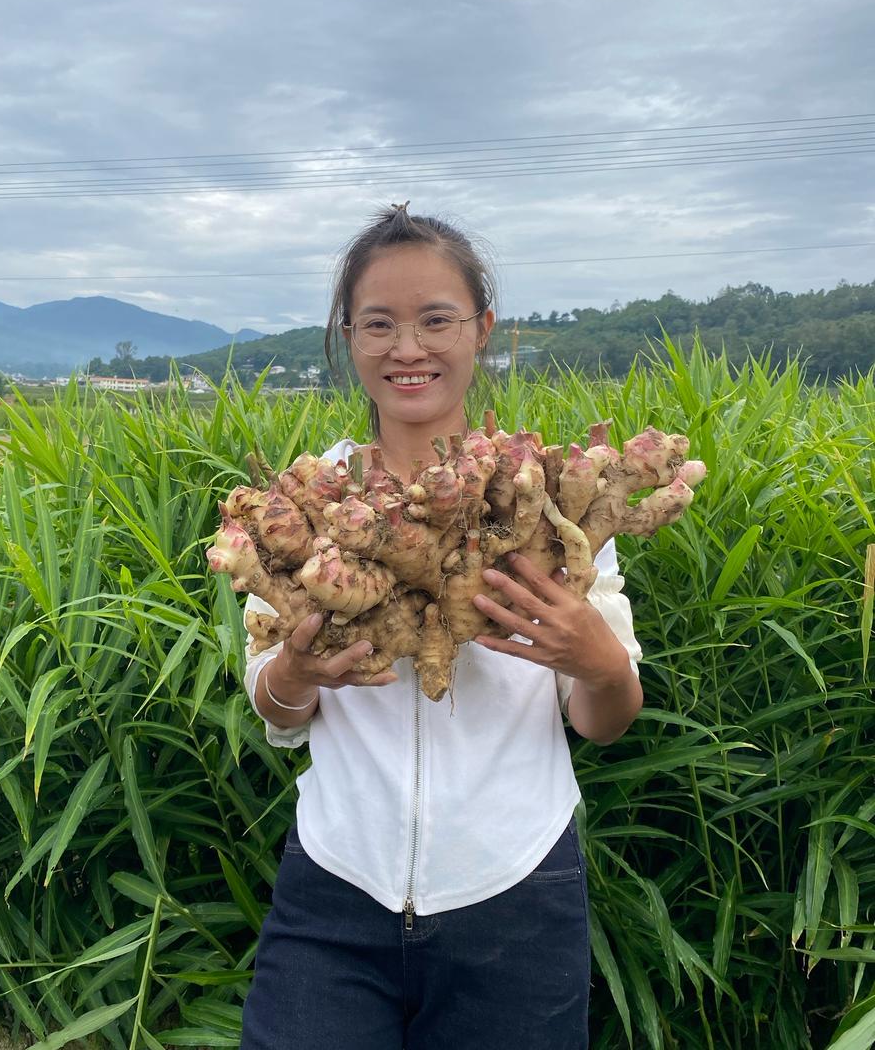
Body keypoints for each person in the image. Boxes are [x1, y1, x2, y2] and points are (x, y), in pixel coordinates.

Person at [237, 204, 644, 1050]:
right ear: (348, 337)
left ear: (482, 330)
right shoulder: (307, 504)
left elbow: (602, 721)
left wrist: (601, 664)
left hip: (518, 891)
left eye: (436, 320)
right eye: (378, 323)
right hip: (335, 886)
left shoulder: (548, 499)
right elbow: (274, 707)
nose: (407, 347)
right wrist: (295, 677)